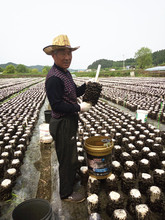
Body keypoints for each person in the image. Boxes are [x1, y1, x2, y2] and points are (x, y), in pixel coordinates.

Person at [43, 34, 92, 203]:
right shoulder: (54, 78)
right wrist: (79, 107)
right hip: (62, 123)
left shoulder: (65, 73)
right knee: (65, 157)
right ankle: (66, 194)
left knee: (71, 154)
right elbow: (56, 105)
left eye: (69, 53)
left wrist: (85, 86)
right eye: (62, 53)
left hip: (69, 121)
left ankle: (70, 180)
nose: (67, 57)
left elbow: (72, 93)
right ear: (53, 55)